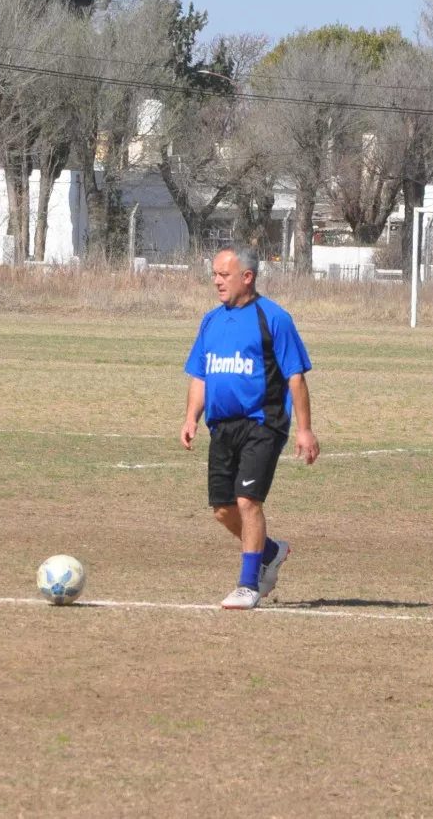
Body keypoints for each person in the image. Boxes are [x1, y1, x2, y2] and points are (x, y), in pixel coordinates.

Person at [180, 243, 320, 610]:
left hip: (263, 423)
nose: (216, 281)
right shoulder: (210, 320)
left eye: (223, 275)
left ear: (247, 277)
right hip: (221, 427)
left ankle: (248, 585)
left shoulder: (273, 318)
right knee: (223, 509)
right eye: (214, 274)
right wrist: (191, 418)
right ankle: (270, 551)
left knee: (247, 501)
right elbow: (200, 374)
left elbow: (295, 378)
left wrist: (304, 429)